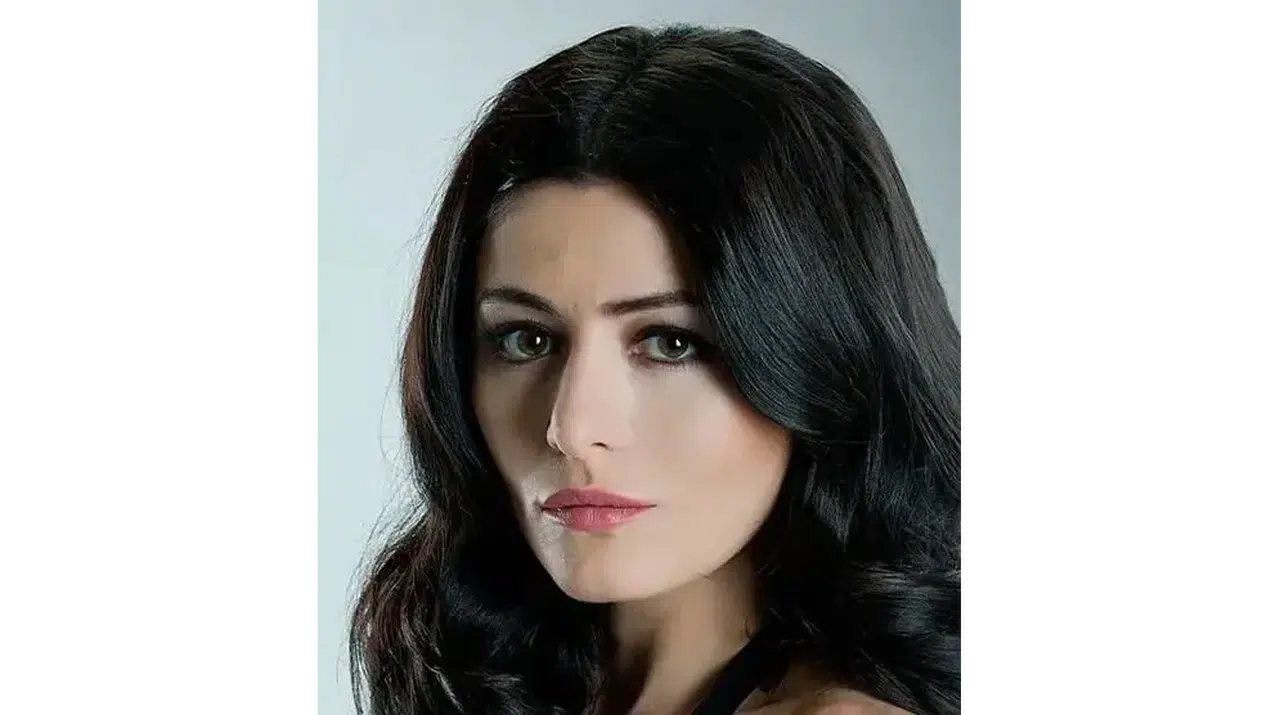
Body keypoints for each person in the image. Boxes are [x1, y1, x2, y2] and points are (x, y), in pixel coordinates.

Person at [349, 23, 967, 715]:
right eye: (527, 339)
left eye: (670, 343)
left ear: (822, 361)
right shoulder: (475, 677)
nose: (571, 427)